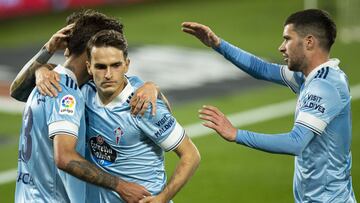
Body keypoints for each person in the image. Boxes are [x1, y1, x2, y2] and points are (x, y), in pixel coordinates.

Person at [182, 9, 356, 202]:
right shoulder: (310, 76)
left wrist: (236, 134)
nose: (281, 47)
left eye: (287, 39)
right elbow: (262, 68)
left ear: (309, 42)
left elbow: (296, 142)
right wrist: (218, 44)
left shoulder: (324, 86)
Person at [12, 10, 153, 203]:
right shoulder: (66, 92)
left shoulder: (47, 79)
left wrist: (151, 87)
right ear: (91, 52)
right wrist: (121, 186)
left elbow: (17, 91)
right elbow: (65, 157)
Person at [82, 29, 200, 203]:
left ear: (127, 65)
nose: (108, 74)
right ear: (88, 67)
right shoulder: (84, 94)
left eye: (116, 65)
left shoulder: (143, 104)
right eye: (100, 66)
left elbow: (191, 155)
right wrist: (42, 69)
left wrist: (162, 198)